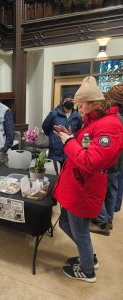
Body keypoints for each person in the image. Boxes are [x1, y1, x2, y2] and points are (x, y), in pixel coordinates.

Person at [52, 76, 123, 283]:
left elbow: (91, 161)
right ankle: (88, 257)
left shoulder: (109, 126)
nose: (78, 109)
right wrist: (70, 137)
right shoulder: (93, 121)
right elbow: (83, 146)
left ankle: (87, 270)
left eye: (80, 104)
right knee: (65, 223)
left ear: (92, 103)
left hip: (84, 187)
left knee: (80, 230)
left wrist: (68, 141)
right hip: (75, 184)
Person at [90, 83, 123, 236]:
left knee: (100, 191)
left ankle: (102, 221)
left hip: (110, 163)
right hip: (119, 163)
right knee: (112, 191)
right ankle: (108, 219)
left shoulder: (113, 119)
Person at [42, 95, 82, 170]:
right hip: (55, 152)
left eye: (71, 100)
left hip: (70, 153)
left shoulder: (77, 116)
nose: (70, 101)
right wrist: (53, 137)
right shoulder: (54, 114)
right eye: (68, 99)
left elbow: (78, 131)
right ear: (63, 101)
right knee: (53, 175)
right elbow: (45, 126)